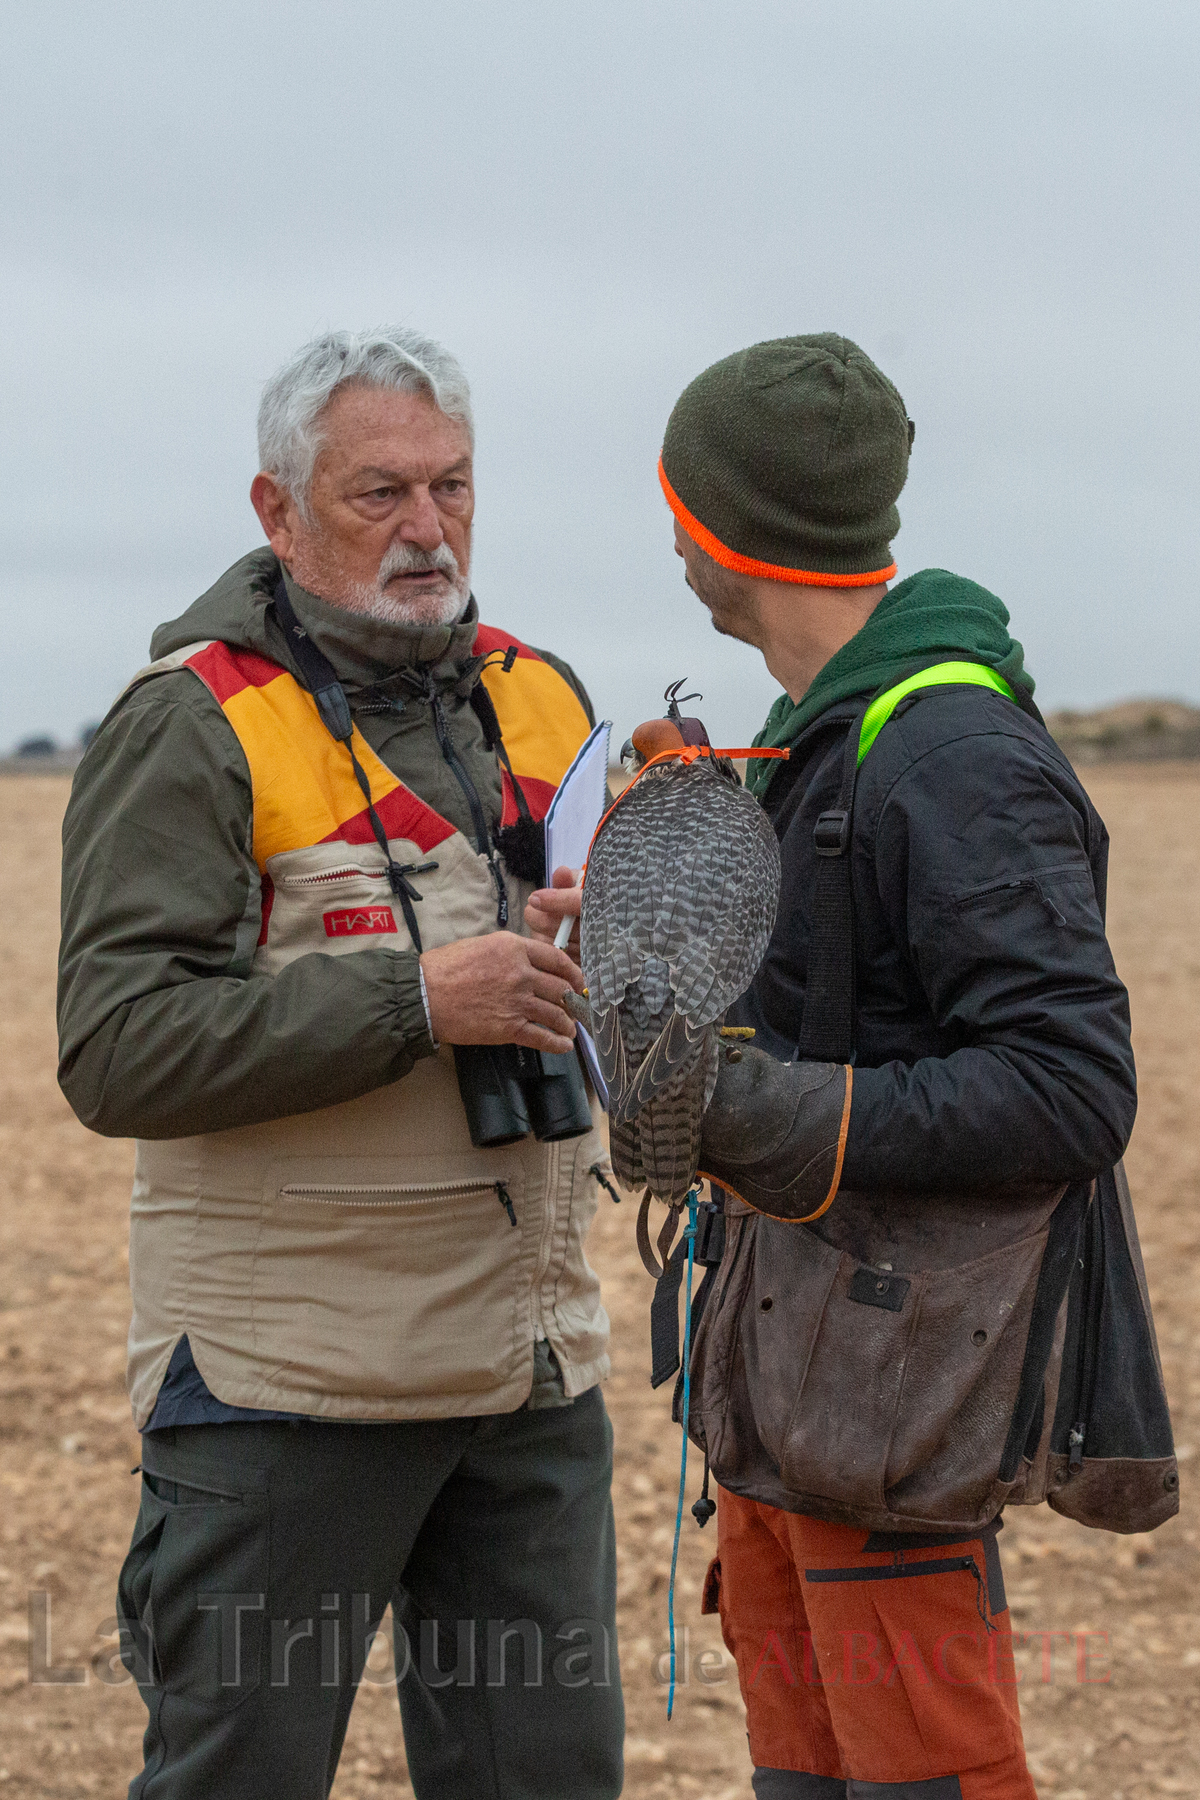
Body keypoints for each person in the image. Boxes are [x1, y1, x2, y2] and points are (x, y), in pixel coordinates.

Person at [536, 334, 1137, 1799]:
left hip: (891, 1393)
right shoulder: (818, 741)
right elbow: (844, 1015)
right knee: (808, 1785)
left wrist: (737, 1103)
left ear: (710, 526)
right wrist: (649, 942)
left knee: (929, 1780)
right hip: (786, 1385)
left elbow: (1071, 1086)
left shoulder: (949, 751)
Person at [57, 328, 624, 1799]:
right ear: (277, 509)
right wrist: (418, 1001)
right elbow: (118, 1050)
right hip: (284, 1390)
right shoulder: (190, 725)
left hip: (531, 1376)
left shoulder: (546, 695)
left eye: (452, 485)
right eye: (380, 493)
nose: (429, 529)